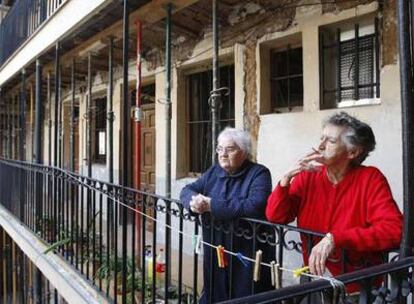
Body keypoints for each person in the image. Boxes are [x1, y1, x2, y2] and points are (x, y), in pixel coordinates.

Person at [266, 112, 402, 294]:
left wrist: (336, 238)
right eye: (321, 138)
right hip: (315, 278)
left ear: (352, 152)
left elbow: (394, 230)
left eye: (330, 141)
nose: (320, 146)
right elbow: (276, 216)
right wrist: (285, 181)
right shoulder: (308, 175)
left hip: (356, 286)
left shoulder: (370, 178)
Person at [180, 127, 273, 303]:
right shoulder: (214, 172)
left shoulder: (259, 173)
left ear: (244, 152)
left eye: (230, 149)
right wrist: (193, 201)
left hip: (246, 248)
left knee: (246, 292)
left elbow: (255, 205)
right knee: (216, 289)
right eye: (219, 149)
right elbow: (188, 189)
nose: (223, 154)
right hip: (216, 245)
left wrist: (211, 205)